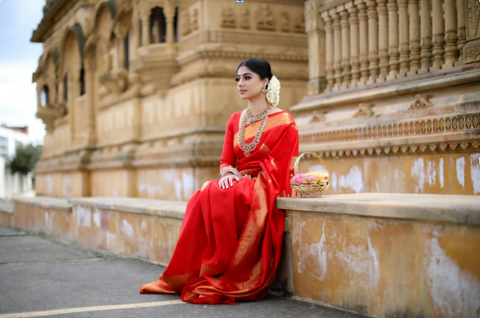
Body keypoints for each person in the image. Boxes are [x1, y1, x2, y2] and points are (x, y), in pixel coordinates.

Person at [139, 58, 299, 305]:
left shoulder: (285, 121)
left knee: (227, 193)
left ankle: (226, 270)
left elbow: (283, 164)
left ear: (265, 81)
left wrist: (245, 177)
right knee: (207, 191)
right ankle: (200, 270)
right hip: (238, 181)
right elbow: (226, 160)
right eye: (238, 79)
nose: (240, 84)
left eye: (247, 77)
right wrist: (227, 174)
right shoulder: (236, 119)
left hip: (266, 184)